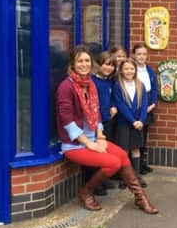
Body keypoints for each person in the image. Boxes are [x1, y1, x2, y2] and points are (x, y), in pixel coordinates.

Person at [55, 45, 157, 214]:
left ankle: (140, 198)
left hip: (94, 138)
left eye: (87, 60)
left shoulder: (90, 84)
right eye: (80, 61)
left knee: (123, 155)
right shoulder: (66, 87)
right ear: (73, 63)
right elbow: (67, 121)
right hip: (75, 144)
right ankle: (86, 192)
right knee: (114, 163)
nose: (84, 64)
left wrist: (100, 136)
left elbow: (96, 116)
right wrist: (90, 143)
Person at [85, 51, 118, 196]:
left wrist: (113, 105)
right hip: (95, 123)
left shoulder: (109, 81)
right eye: (106, 64)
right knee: (96, 152)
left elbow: (111, 98)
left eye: (112, 65)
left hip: (107, 120)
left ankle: (103, 178)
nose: (109, 68)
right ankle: (94, 183)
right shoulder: (92, 81)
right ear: (99, 64)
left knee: (105, 151)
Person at [112, 58, 149, 188]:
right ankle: (125, 178)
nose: (129, 71)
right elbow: (121, 105)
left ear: (135, 70)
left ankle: (136, 176)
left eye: (131, 69)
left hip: (138, 123)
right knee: (124, 151)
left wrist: (141, 120)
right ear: (121, 70)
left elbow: (144, 105)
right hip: (124, 123)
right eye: (126, 68)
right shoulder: (118, 85)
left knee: (136, 149)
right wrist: (132, 121)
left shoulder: (140, 85)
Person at [132, 43, 158, 174]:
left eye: (144, 54)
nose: (142, 57)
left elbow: (154, 88)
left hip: (148, 107)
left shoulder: (149, 70)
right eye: (139, 54)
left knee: (144, 137)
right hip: (136, 108)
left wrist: (153, 103)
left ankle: (142, 163)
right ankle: (135, 166)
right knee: (136, 137)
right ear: (134, 55)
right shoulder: (131, 70)